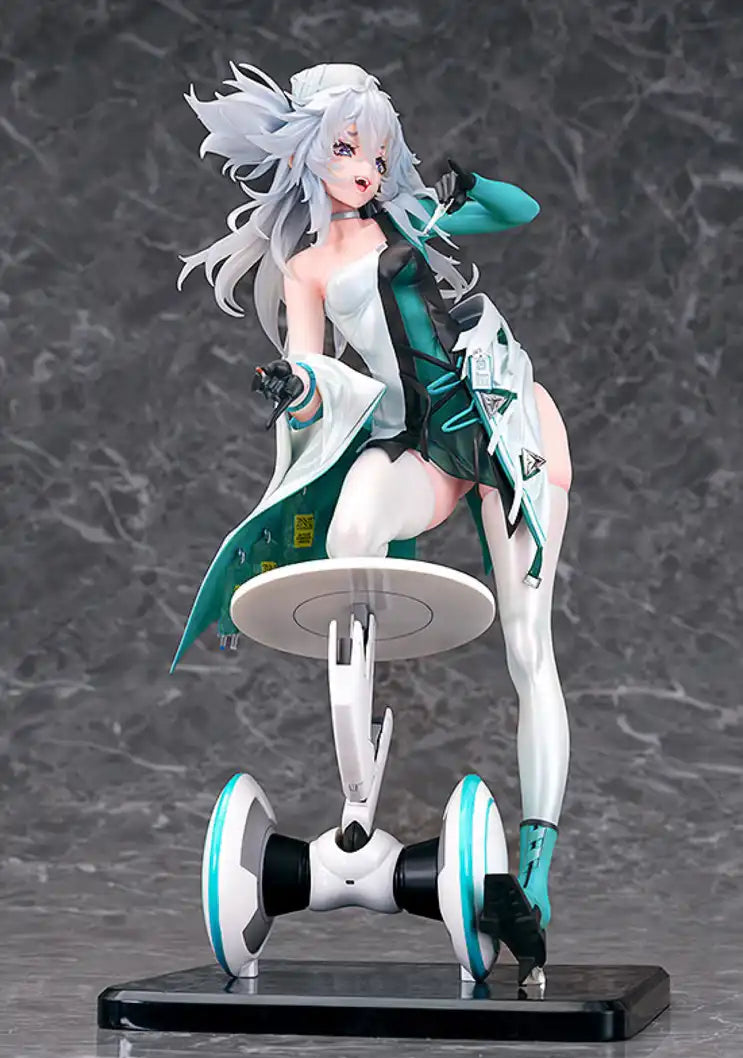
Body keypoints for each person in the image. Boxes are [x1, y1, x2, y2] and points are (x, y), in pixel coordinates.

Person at [173, 61, 572, 932]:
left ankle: (533, 875)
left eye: (378, 151)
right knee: (349, 531)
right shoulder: (307, 267)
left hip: (506, 424)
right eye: (348, 148)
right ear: (307, 153)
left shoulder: (413, 215)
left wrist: (468, 186)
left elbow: (520, 212)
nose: (367, 167)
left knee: (526, 646)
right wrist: (294, 393)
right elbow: (313, 379)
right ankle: (357, 799)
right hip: (417, 442)